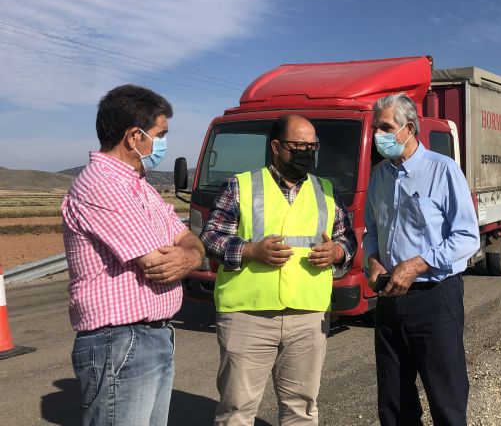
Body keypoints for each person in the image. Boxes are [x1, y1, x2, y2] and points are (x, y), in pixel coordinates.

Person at [61, 84, 205, 426]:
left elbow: (189, 240)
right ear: (133, 137)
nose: (164, 144)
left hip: (147, 337)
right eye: (160, 134)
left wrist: (190, 256)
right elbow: (156, 263)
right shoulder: (101, 184)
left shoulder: (140, 186)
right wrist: (188, 256)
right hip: (120, 342)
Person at [201, 115, 357, 426]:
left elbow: (347, 237)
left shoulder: (326, 190)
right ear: (276, 146)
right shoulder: (239, 186)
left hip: (308, 315)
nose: (307, 152)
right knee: (237, 411)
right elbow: (210, 238)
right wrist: (250, 251)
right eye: (299, 145)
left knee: (301, 410)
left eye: (312, 146)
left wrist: (338, 251)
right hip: (248, 316)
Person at [363, 93, 479, 426]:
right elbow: (372, 230)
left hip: (434, 299)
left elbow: (467, 237)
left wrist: (416, 265)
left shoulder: (442, 171)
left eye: (385, 127)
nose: (378, 136)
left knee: (446, 398)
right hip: (389, 300)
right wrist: (371, 259)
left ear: (409, 128)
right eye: (376, 128)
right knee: (394, 401)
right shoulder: (380, 176)